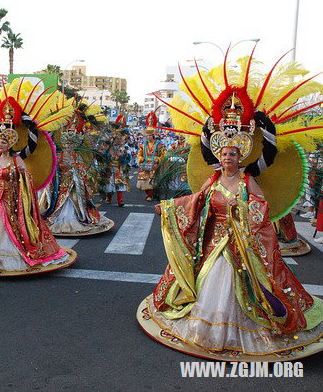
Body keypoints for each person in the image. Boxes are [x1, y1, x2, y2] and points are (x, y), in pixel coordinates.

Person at [138, 50, 323, 359]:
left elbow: (260, 209)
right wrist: (168, 208)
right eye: (224, 155)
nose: (227, 158)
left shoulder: (249, 179)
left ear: (241, 157)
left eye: (233, 155)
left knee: (246, 289)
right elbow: (197, 201)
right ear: (219, 157)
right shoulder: (213, 180)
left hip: (243, 247)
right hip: (213, 245)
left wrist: (242, 215)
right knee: (209, 285)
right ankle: (207, 329)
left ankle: (246, 332)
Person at [0, 79, 79, 275]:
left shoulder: (17, 160)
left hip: (14, 204)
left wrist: (21, 198)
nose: (0, 145)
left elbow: (26, 181)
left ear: (10, 143)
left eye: (3, 142)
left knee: (16, 234)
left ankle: (17, 258)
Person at [137, 113, 162, 201]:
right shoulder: (143, 145)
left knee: (152, 180)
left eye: (150, 135)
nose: (148, 136)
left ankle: (150, 196)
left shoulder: (158, 144)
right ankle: (148, 194)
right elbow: (139, 154)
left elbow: (162, 154)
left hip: (154, 165)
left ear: (153, 135)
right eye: (147, 135)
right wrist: (141, 158)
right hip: (145, 164)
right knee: (144, 181)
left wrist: (158, 159)